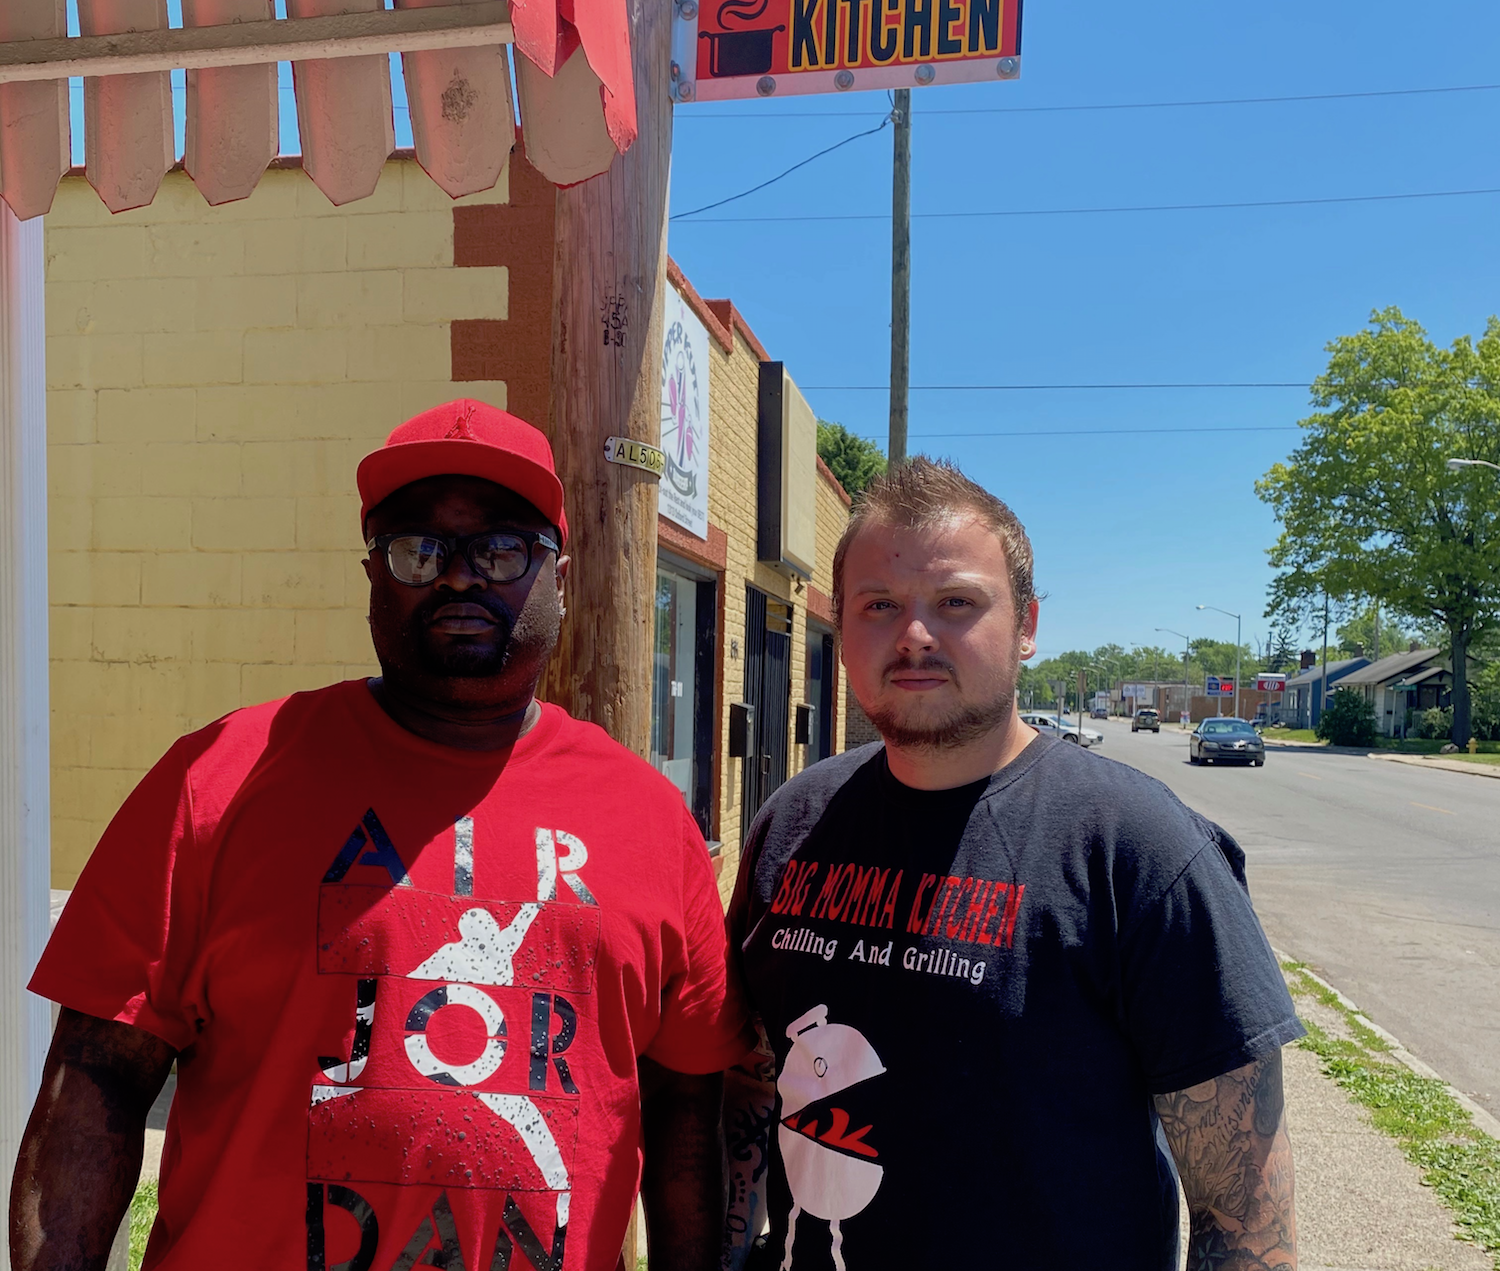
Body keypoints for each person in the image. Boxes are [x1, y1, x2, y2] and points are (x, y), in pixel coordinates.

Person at [12, 399, 751, 1271]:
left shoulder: (652, 821)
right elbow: (93, 1081)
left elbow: (686, 1116)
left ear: (560, 576)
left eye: (502, 548)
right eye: (417, 549)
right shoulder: (217, 782)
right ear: (373, 574)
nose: (458, 577)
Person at [722, 458, 1302, 1271]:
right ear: (841, 624)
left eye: (956, 602)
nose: (915, 634)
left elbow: (1241, 1215)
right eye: (879, 604)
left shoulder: (1140, 850)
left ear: (1026, 625)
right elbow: (750, 1080)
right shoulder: (793, 823)